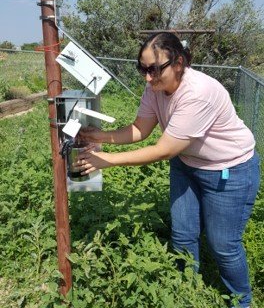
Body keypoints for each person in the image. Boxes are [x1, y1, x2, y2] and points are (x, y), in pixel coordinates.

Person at [74, 32, 260, 308]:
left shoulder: (198, 93)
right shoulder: (155, 88)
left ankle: (242, 302)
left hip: (228, 171)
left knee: (223, 245)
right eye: (143, 69)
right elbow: (141, 129)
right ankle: (187, 292)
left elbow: (164, 149)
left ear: (179, 62)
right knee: (183, 234)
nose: (148, 78)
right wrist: (100, 137)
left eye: (154, 69)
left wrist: (108, 161)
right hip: (187, 164)